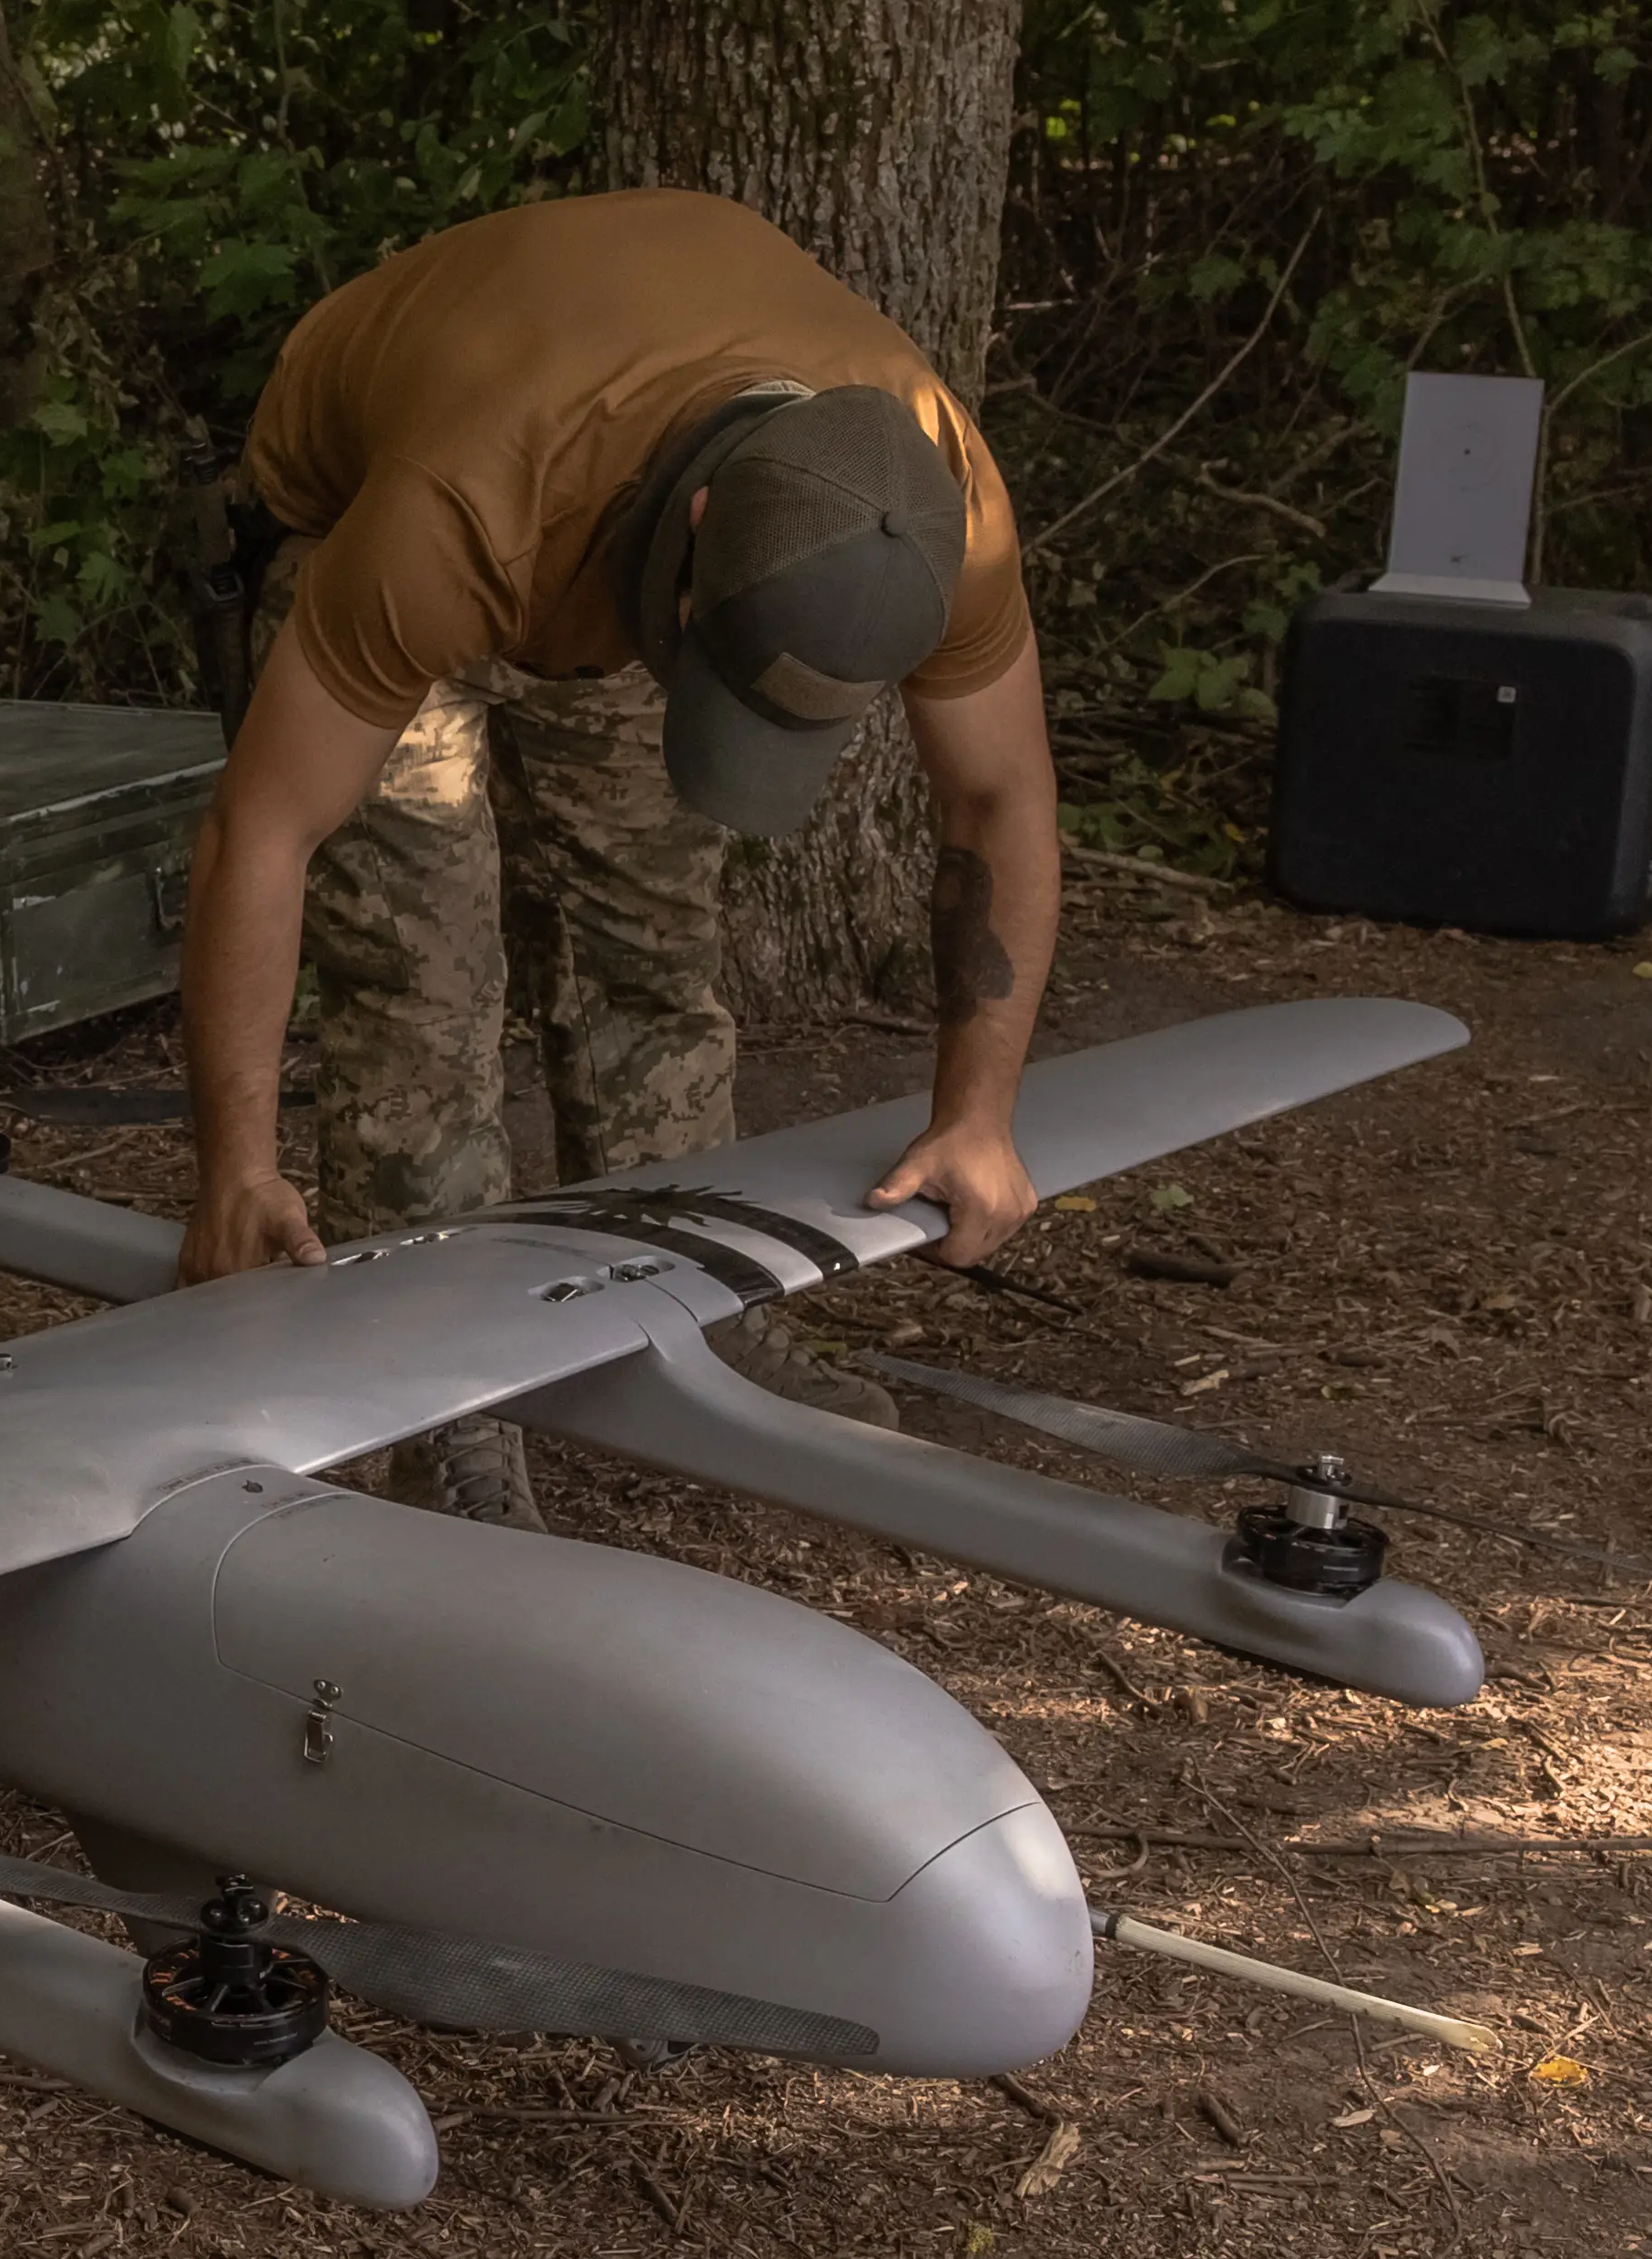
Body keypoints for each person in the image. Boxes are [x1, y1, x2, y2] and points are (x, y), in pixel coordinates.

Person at [174, 190, 1059, 1520]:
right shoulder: (453, 514)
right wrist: (233, 1173)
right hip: (387, 499)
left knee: (648, 951)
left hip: (614, 514)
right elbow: (266, 830)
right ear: (701, 534)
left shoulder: (928, 505)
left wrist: (979, 1115)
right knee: (426, 992)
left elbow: (1000, 801)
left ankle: (686, 1298)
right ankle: (445, 1398)